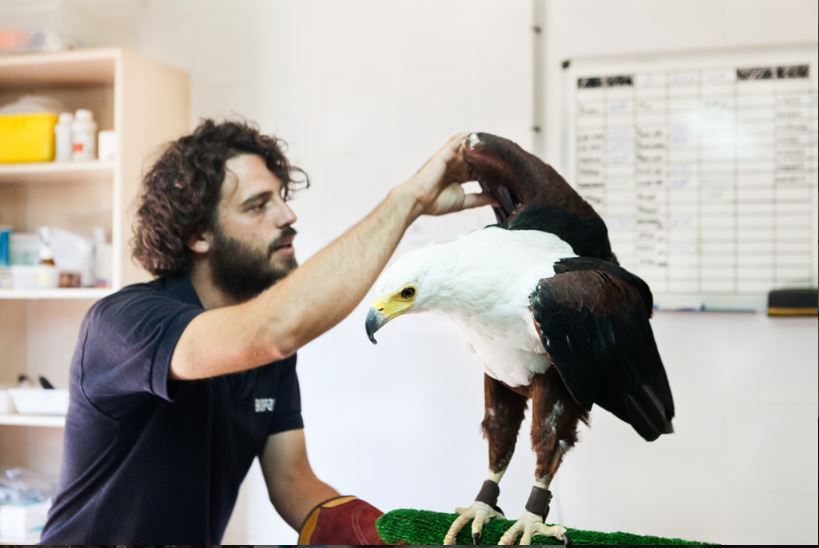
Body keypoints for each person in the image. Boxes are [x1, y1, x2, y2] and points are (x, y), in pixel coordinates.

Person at [40, 119, 493, 544]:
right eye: (259, 205)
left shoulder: (266, 355)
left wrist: (395, 535)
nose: (287, 215)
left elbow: (293, 481)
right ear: (200, 235)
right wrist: (408, 200)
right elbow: (271, 330)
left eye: (281, 197)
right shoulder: (125, 322)